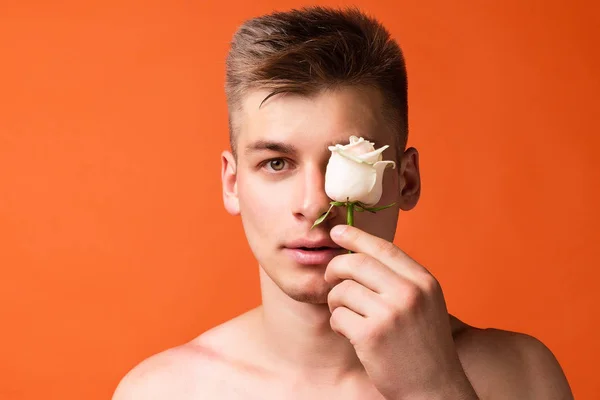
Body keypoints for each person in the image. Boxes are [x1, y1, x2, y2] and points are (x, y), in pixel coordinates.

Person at [113, 6, 573, 399]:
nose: (315, 205)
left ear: (406, 181)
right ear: (232, 183)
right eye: (277, 163)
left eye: (347, 162)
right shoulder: (164, 391)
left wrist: (432, 388)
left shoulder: (520, 376)